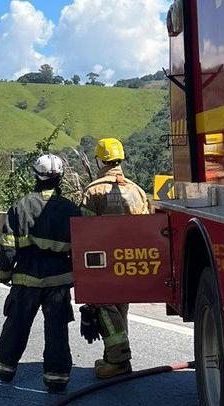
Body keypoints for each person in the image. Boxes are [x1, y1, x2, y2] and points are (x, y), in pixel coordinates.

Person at [0, 154, 81, 393]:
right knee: (57, 329)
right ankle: (57, 377)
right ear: (60, 178)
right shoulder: (71, 209)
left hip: (26, 278)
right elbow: (82, 250)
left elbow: (8, 248)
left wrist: (2, 276)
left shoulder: (19, 207)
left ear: (35, 176)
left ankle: (4, 368)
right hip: (58, 280)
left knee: (17, 325)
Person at [79, 138, 150, 379]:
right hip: (129, 261)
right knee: (120, 307)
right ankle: (114, 357)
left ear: (100, 160)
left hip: (102, 264)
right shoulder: (137, 191)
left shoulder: (93, 192)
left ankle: (119, 360)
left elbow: (83, 233)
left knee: (104, 305)